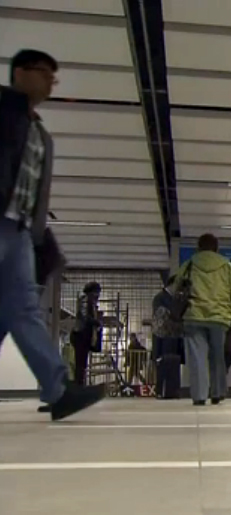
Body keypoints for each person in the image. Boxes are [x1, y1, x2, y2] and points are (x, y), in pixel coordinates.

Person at [0, 49, 105, 420]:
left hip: (21, 233)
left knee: (18, 311)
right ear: (19, 73)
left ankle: (57, 389)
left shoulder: (42, 134)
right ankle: (57, 389)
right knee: (22, 311)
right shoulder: (3, 110)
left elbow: (35, 194)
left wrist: (40, 237)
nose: (50, 81)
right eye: (44, 73)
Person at [175, 234, 231, 406]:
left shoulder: (189, 264)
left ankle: (199, 396)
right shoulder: (226, 266)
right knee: (217, 357)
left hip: (193, 316)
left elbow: (176, 287)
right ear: (217, 248)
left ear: (198, 247)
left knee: (197, 358)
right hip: (218, 318)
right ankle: (217, 393)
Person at [151, 275, 184, 399]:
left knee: (174, 363)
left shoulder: (175, 298)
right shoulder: (159, 298)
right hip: (163, 336)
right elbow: (160, 317)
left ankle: (173, 390)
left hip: (174, 336)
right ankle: (162, 390)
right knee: (163, 363)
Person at [71, 281, 102, 386]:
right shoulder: (85, 300)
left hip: (82, 335)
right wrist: (96, 322)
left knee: (81, 363)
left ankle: (80, 384)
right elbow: (85, 317)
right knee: (80, 363)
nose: (98, 295)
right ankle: (79, 385)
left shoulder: (89, 301)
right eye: (97, 292)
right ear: (92, 292)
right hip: (81, 335)